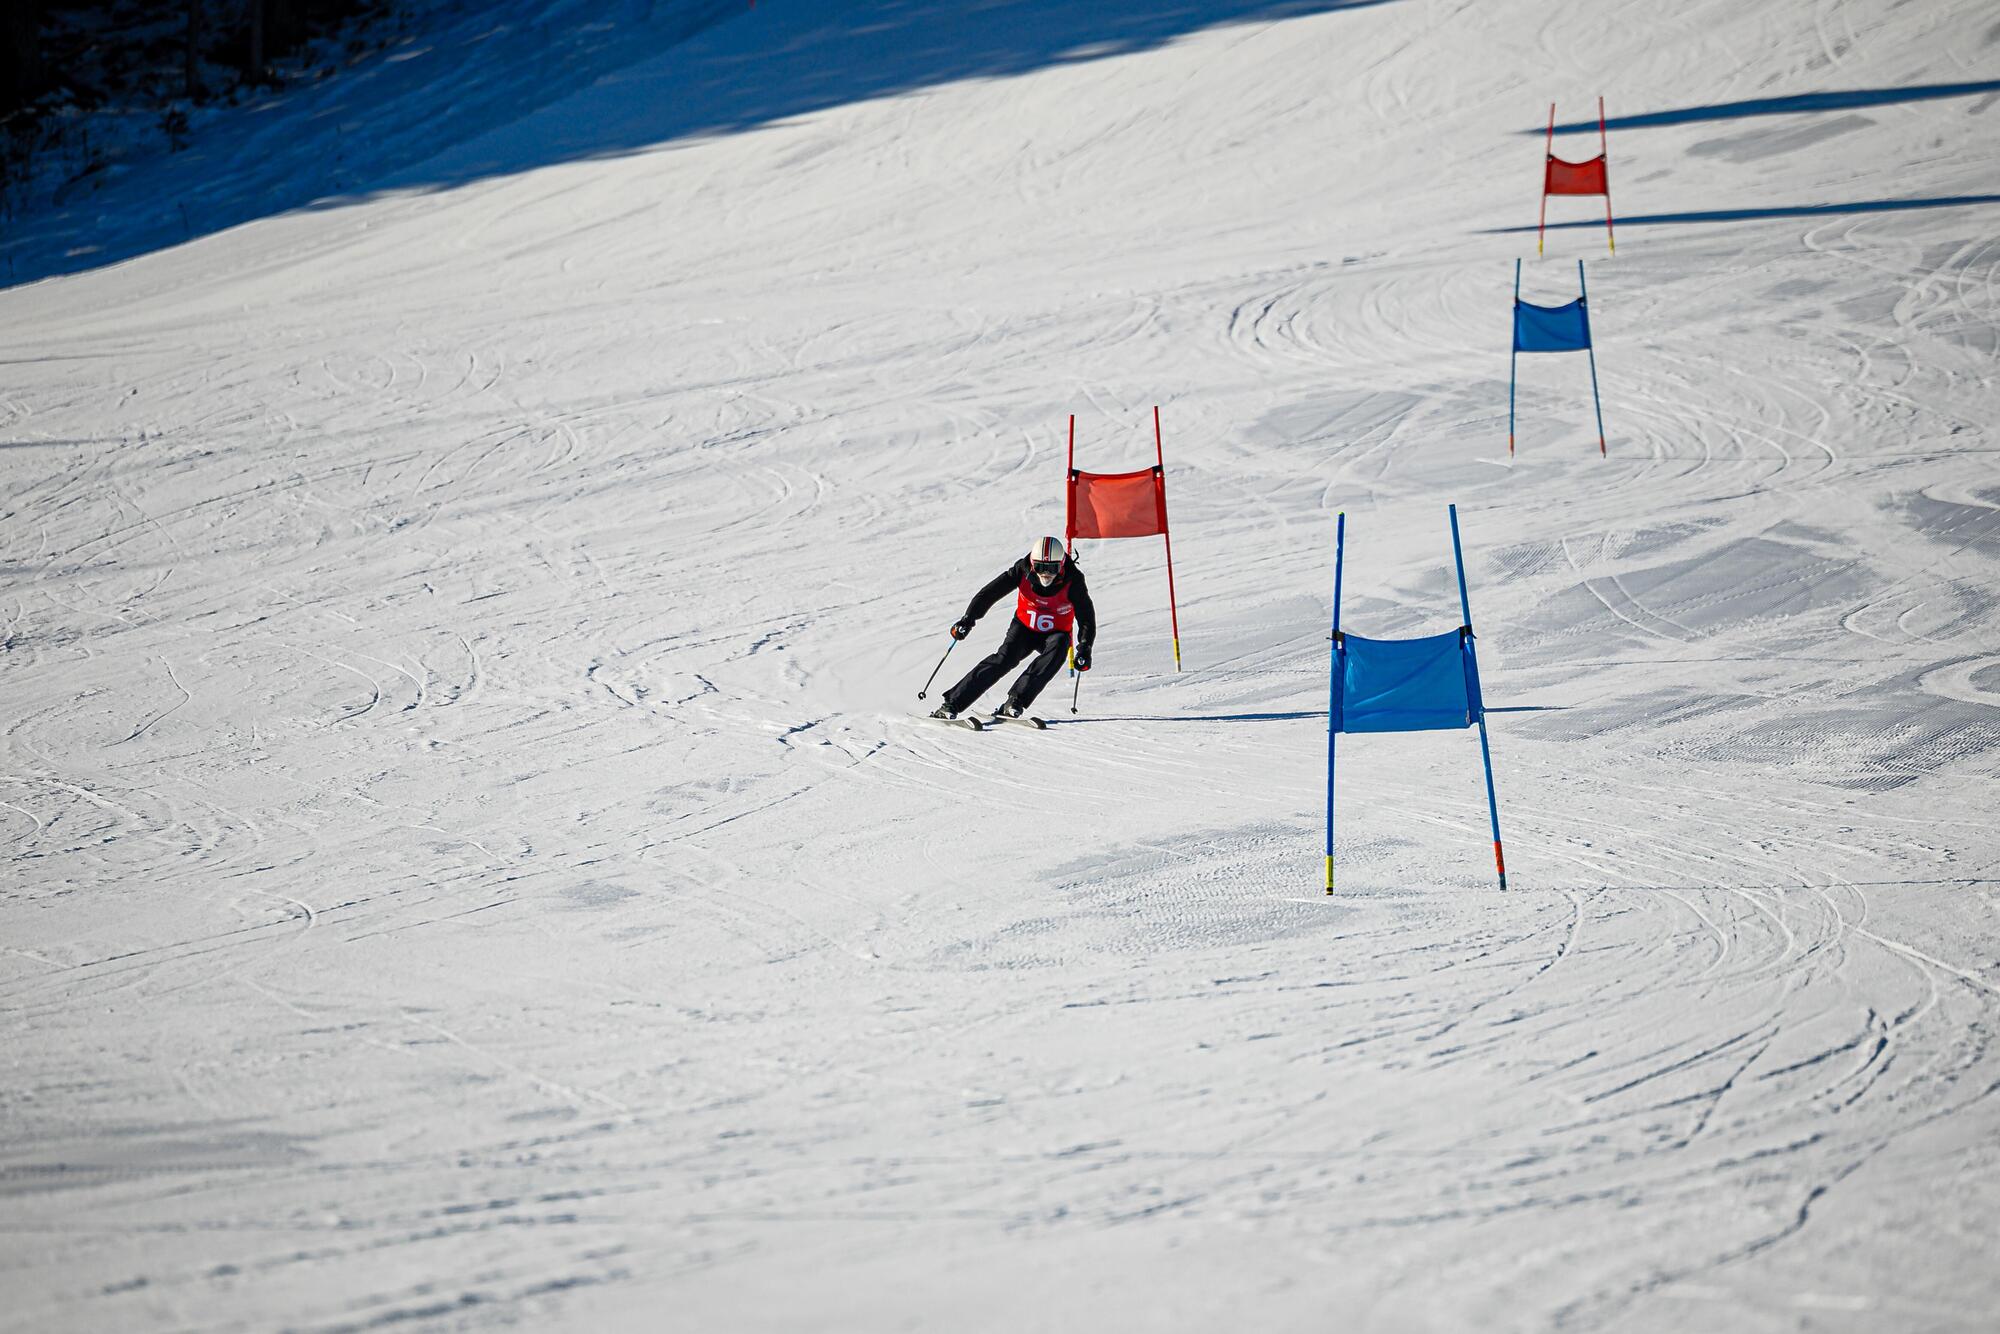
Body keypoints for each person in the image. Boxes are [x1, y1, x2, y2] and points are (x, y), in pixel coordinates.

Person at [931, 536, 1095, 720]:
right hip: (1024, 628)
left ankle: (1015, 701)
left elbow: (1086, 616)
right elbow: (990, 593)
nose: (1046, 574)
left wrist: (1085, 647)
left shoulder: (1074, 580)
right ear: (1032, 563)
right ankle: (951, 704)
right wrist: (968, 620)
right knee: (1004, 659)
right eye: (1040, 567)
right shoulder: (1022, 570)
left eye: (1052, 568)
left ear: (1062, 564)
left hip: (1055, 633)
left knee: (1057, 652)